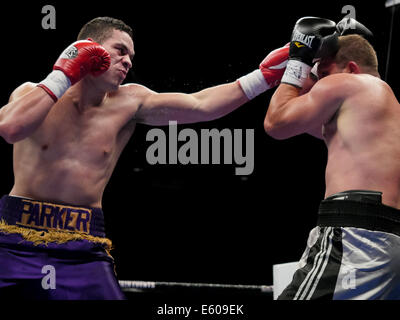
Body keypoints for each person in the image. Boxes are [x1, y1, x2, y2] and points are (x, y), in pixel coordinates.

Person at [0, 17, 288, 299]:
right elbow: (10, 128)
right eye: (120, 50)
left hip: (83, 246)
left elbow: (201, 105)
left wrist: (264, 77)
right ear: (90, 47)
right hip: (15, 241)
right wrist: (63, 74)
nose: (128, 61)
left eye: (132, 56)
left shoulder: (129, 102)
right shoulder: (32, 93)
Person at [265, 16, 400, 299]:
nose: (317, 85)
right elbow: (304, 121)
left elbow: (277, 123)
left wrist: (298, 62)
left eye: (322, 75)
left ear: (351, 68)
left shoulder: (349, 85)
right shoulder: (385, 109)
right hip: (387, 237)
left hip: (354, 233)